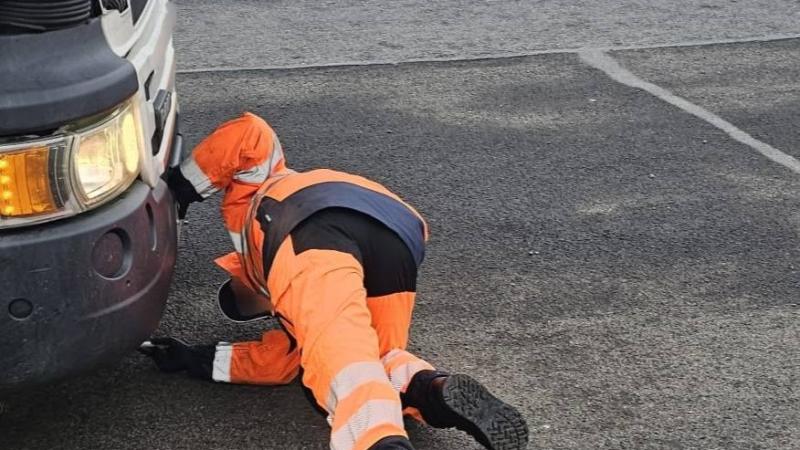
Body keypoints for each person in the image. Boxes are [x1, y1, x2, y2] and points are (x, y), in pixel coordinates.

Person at [139, 112, 529, 450]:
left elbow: (248, 132)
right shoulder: (272, 188)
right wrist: (191, 359)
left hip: (309, 230)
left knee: (344, 367)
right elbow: (251, 135)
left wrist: (176, 191)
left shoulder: (276, 269)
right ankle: (434, 390)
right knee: (380, 356)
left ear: (251, 287)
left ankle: (379, 440)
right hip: (397, 228)